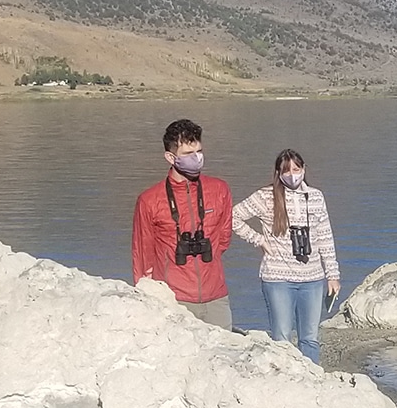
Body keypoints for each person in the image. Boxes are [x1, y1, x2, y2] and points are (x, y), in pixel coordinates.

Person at [232, 149, 340, 362]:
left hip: (313, 278)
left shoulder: (316, 197)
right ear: (278, 173)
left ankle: (312, 381)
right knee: (281, 337)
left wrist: (333, 274)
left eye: (296, 169)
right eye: (286, 170)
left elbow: (325, 236)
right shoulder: (265, 196)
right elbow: (232, 217)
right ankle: (285, 380)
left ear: (304, 169)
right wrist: (258, 240)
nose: (292, 174)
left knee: (310, 338)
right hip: (278, 278)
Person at [131, 119, 234, 328]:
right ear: (170, 157)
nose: (196, 158)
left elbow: (223, 238)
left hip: (216, 296)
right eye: (188, 154)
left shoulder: (219, 189)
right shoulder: (149, 200)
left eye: (199, 151)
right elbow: (142, 253)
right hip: (174, 299)